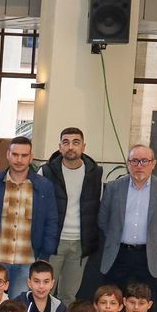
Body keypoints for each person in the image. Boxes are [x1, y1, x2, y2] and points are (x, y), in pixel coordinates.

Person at [98, 144, 157, 293]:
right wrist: (115, 238)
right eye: (134, 161)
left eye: (144, 161)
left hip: (149, 257)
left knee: (147, 303)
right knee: (113, 301)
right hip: (119, 255)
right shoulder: (113, 187)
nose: (139, 165)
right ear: (128, 164)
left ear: (153, 164)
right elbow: (103, 219)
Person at [0, 136, 57, 296]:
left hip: (28, 261)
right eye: (15, 154)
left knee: (18, 311)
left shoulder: (44, 187)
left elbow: (51, 222)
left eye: (24, 155)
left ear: (31, 157)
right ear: (8, 154)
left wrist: (45, 255)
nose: (19, 160)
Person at [43, 127, 101, 301]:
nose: (71, 147)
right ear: (60, 146)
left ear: (83, 146)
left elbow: (97, 207)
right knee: (44, 292)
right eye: (66, 142)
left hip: (79, 244)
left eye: (76, 142)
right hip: (53, 243)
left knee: (69, 295)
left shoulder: (95, 174)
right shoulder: (46, 172)